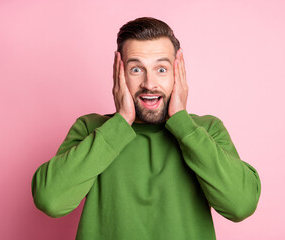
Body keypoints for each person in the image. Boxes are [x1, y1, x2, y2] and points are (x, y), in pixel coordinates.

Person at [32, 17, 261, 240]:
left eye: (161, 69)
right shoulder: (90, 129)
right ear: (119, 73)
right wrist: (121, 121)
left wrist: (183, 124)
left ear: (177, 72)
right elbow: (51, 200)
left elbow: (241, 205)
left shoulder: (206, 130)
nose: (149, 83)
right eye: (136, 70)